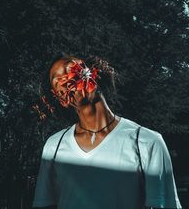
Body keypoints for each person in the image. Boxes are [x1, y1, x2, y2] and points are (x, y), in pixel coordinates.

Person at [32, 53, 182, 209]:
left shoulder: (146, 142)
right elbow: (44, 204)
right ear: (62, 100)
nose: (72, 78)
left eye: (73, 68)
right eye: (60, 81)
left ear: (92, 72)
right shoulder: (54, 147)